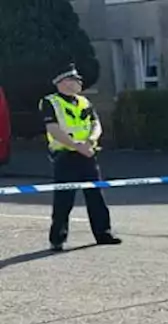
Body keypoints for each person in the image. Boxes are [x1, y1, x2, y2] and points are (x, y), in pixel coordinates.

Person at [41, 65, 121, 252]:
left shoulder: (84, 101)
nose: (80, 83)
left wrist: (91, 141)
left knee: (96, 196)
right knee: (64, 199)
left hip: (87, 154)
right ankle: (57, 239)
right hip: (65, 155)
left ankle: (103, 233)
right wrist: (76, 146)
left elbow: (95, 124)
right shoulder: (50, 102)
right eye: (75, 80)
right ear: (63, 82)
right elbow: (53, 129)